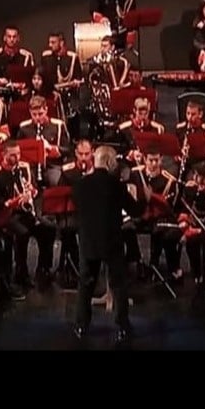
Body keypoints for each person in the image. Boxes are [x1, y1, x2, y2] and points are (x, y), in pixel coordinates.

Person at [71, 145, 143, 342]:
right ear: (110, 163)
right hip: (111, 240)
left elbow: (78, 208)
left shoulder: (80, 185)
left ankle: (81, 326)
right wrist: (146, 196)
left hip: (88, 240)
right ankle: (122, 326)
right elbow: (136, 211)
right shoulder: (116, 185)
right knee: (119, 284)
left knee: (86, 284)